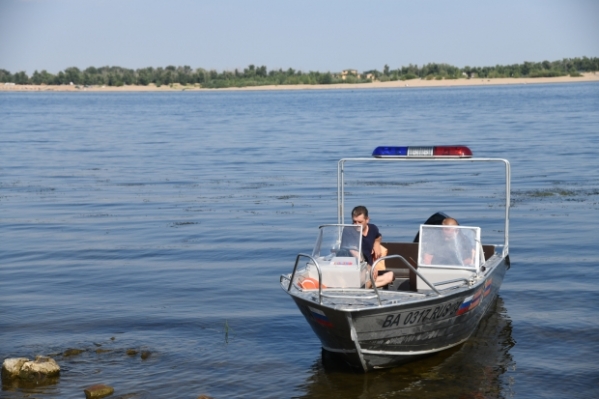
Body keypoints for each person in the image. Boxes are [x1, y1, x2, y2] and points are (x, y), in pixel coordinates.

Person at [349, 206, 394, 288]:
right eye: (354, 222)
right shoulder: (349, 231)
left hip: (370, 267)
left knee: (390, 275)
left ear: (367, 220)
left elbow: (378, 236)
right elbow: (354, 252)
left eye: (360, 222)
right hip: (356, 267)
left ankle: (366, 286)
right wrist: (369, 268)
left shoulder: (373, 228)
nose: (356, 225)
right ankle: (365, 286)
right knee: (369, 277)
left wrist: (376, 244)